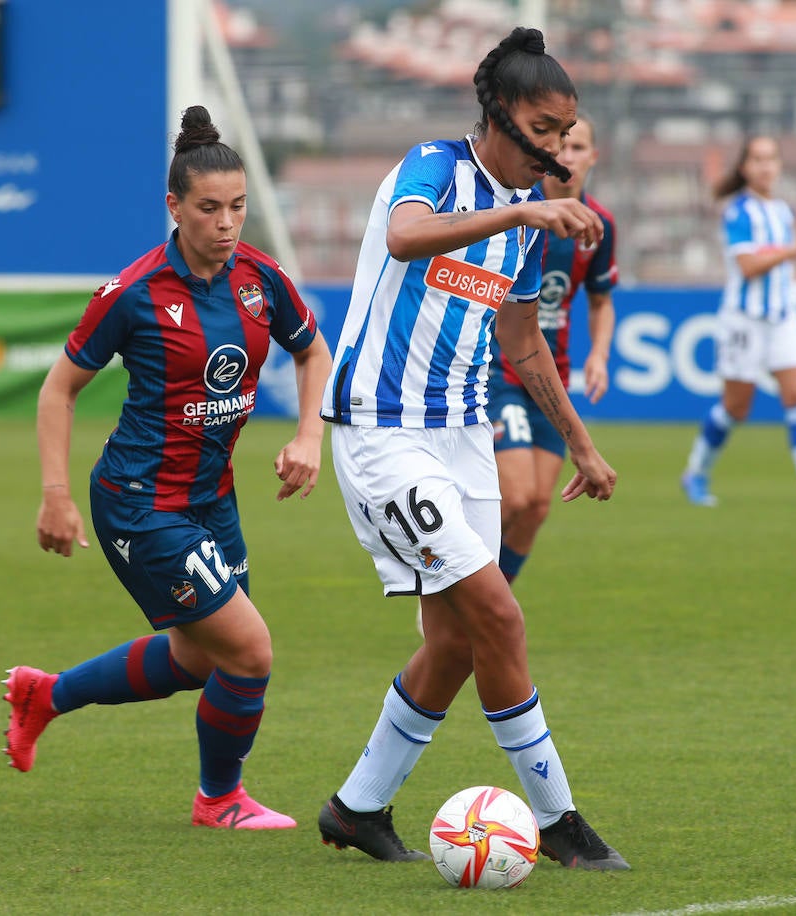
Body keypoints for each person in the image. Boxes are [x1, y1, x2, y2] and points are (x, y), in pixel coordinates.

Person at [316, 27, 630, 871]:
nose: (558, 149)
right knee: (498, 614)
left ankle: (356, 808)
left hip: (464, 437)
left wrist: (583, 445)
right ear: (498, 113)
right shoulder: (437, 168)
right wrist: (526, 206)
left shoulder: (526, 225)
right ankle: (558, 818)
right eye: (545, 127)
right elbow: (406, 237)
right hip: (385, 433)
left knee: (455, 640)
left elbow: (523, 345)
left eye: (568, 132)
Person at [2, 105, 332, 830]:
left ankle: (45, 696)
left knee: (197, 658)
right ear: (174, 206)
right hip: (139, 502)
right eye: (209, 208)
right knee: (248, 652)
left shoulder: (259, 278)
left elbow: (313, 351)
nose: (227, 223)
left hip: (212, 498)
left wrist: (310, 436)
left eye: (239, 206)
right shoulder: (134, 293)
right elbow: (58, 390)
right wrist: (54, 496)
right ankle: (219, 801)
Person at [680, 134, 796, 508]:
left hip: (783, 318)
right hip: (744, 322)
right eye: (757, 159)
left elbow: (784, 270)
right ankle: (695, 473)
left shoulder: (781, 211)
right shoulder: (738, 212)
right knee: (736, 407)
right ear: (745, 168)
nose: (765, 166)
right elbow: (749, 266)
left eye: (771, 158)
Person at [489, 113, 617, 586]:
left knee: (538, 506)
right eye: (560, 145)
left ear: (593, 158)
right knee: (517, 496)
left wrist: (599, 353)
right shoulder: (521, 212)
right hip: (498, 369)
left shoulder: (599, 224)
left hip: (550, 377)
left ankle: (487, 604)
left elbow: (601, 301)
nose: (567, 155)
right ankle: (454, 593)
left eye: (579, 147)